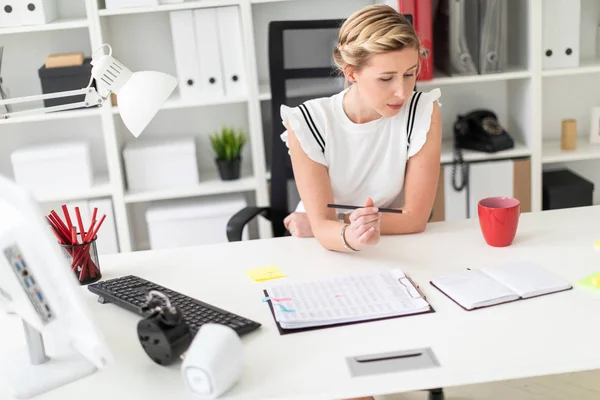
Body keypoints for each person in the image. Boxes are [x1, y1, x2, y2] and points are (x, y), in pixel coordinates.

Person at [280, 4, 442, 253]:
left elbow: (415, 218)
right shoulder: (307, 122)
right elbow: (321, 227)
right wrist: (335, 229)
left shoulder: (422, 111)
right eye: (386, 78)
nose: (402, 92)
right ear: (352, 73)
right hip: (317, 246)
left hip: (387, 241)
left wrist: (340, 222)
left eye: (410, 74)